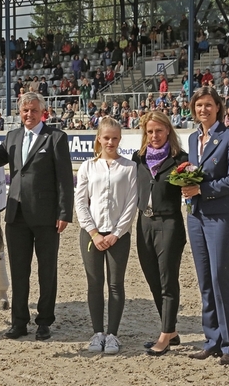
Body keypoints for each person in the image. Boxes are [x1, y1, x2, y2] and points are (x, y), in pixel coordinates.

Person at [0, 93, 74, 341]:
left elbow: (65, 179)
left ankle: (44, 321)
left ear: (43, 112)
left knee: (47, 272)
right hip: (16, 216)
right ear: (19, 112)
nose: (29, 115)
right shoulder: (12, 137)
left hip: (47, 218)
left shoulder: (56, 138)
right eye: (24, 111)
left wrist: (65, 212)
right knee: (20, 272)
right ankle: (19, 322)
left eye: (33, 111)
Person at [182, 86, 229, 365]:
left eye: (208, 105)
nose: (203, 110)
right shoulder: (194, 138)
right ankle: (212, 340)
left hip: (220, 216)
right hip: (195, 216)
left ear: (218, 107)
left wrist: (202, 190)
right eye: (198, 106)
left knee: (221, 278)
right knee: (205, 281)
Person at [75, 117, 137, 355]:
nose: (110, 142)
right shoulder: (88, 167)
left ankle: (112, 334)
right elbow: (80, 202)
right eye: (106, 137)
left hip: (118, 236)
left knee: (115, 284)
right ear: (99, 139)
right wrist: (93, 232)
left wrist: (116, 233)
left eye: (115, 138)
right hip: (91, 234)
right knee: (94, 283)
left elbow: (131, 205)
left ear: (120, 139)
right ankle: (97, 332)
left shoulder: (129, 168)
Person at [132, 111, 187, 356]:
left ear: (168, 131)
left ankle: (165, 335)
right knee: (153, 280)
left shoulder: (180, 159)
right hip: (143, 224)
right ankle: (172, 331)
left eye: (159, 131)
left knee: (167, 280)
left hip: (169, 224)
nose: (154, 136)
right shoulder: (138, 158)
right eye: (150, 131)